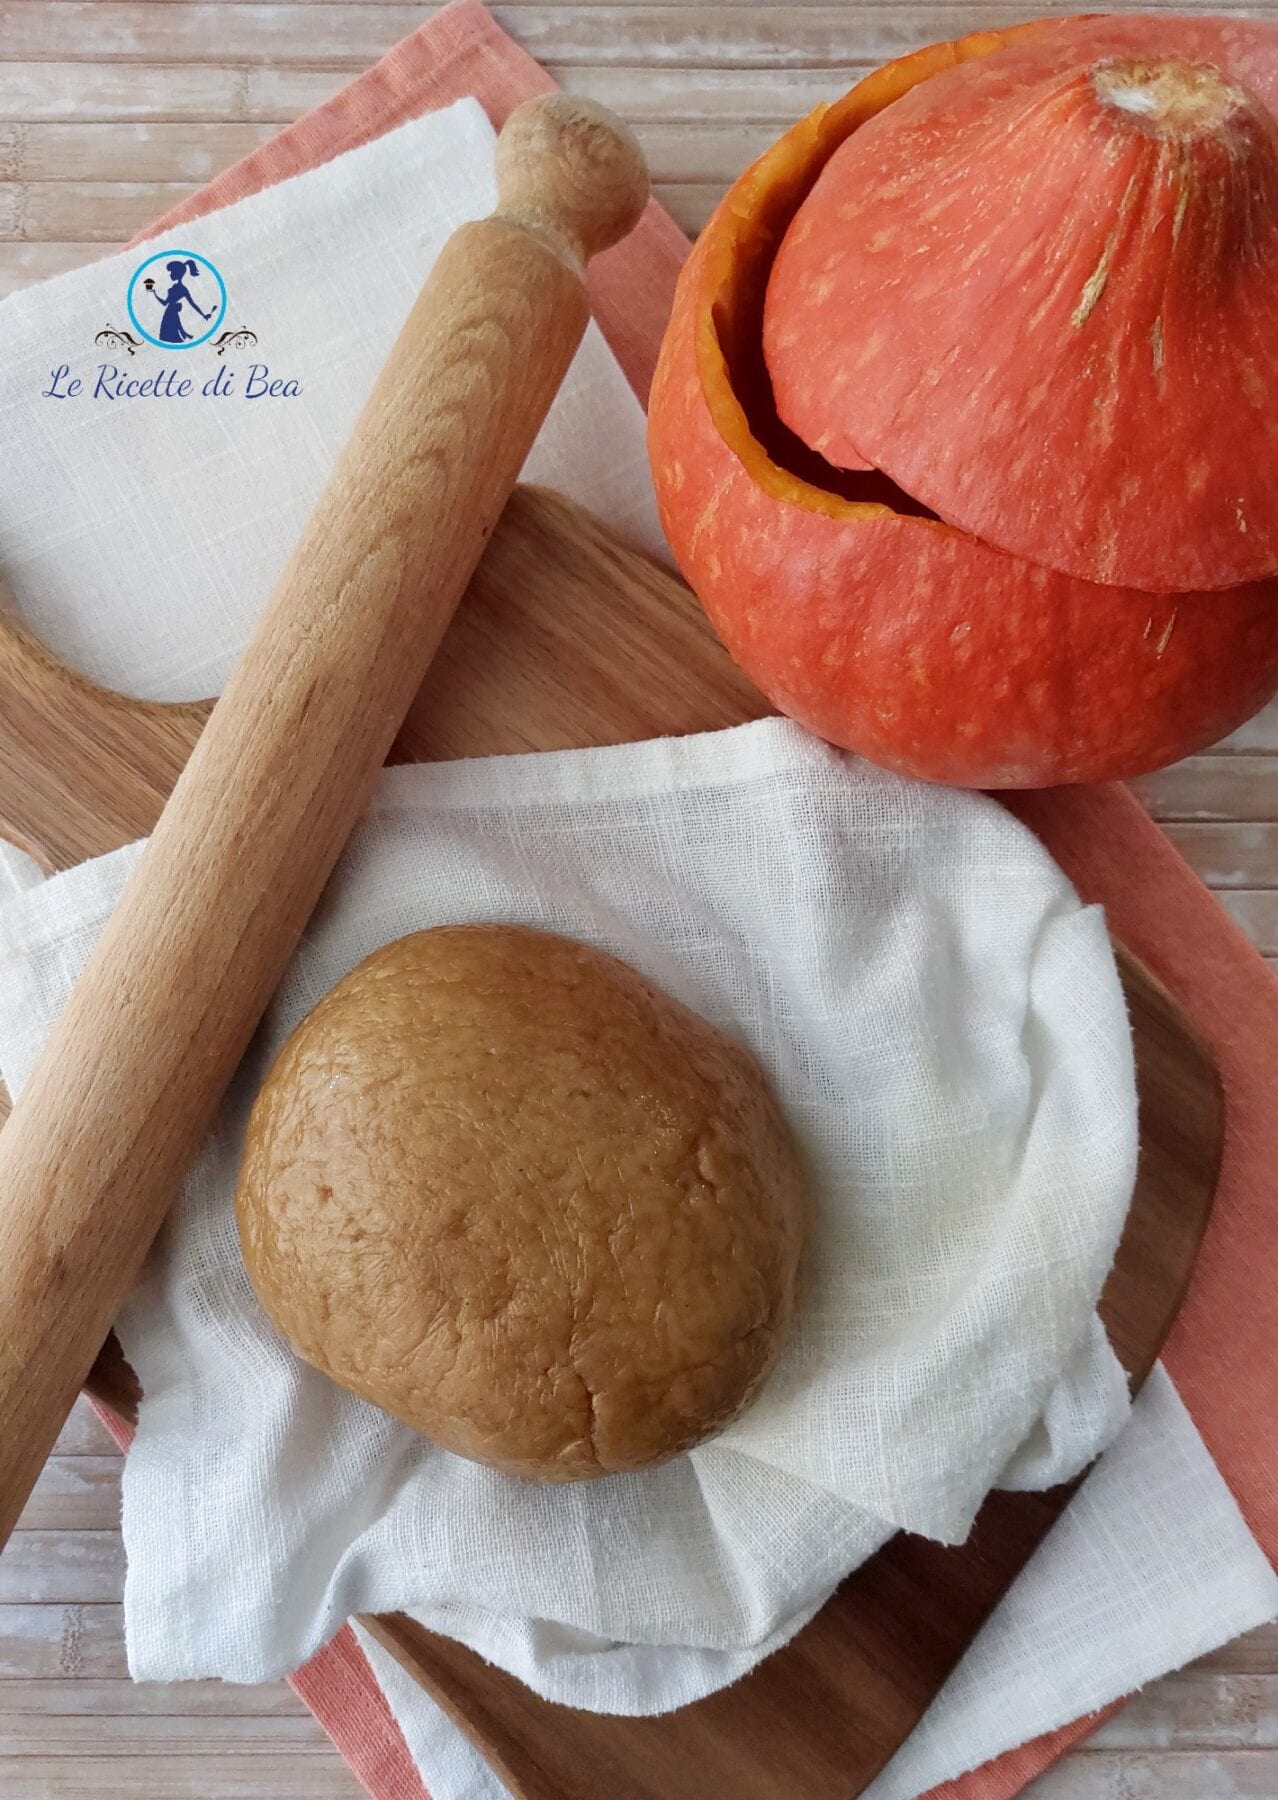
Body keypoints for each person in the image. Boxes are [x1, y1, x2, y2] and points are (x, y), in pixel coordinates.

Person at [144, 260, 211, 344]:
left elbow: (192, 304)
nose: (170, 274)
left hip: (171, 313)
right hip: (169, 313)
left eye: (171, 272)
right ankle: (184, 336)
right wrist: (155, 294)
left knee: (170, 336)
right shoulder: (175, 287)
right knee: (169, 335)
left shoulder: (182, 289)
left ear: (177, 273)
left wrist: (203, 315)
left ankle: (184, 337)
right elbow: (165, 303)